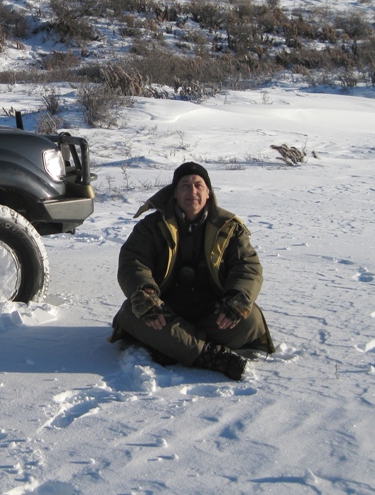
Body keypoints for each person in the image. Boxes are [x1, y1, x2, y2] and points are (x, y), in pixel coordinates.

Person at [110, 162, 274, 380]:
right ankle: (210, 355)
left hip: (213, 312)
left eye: (198, 185)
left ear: (208, 193)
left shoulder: (229, 227)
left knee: (250, 320)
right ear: (175, 193)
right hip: (165, 311)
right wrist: (146, 295)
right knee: (133, 312)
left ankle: (174, 345)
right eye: (185, 185)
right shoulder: (150, 226)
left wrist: (238, 297)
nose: (192, 191)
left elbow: (247, 266)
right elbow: (133, 262)